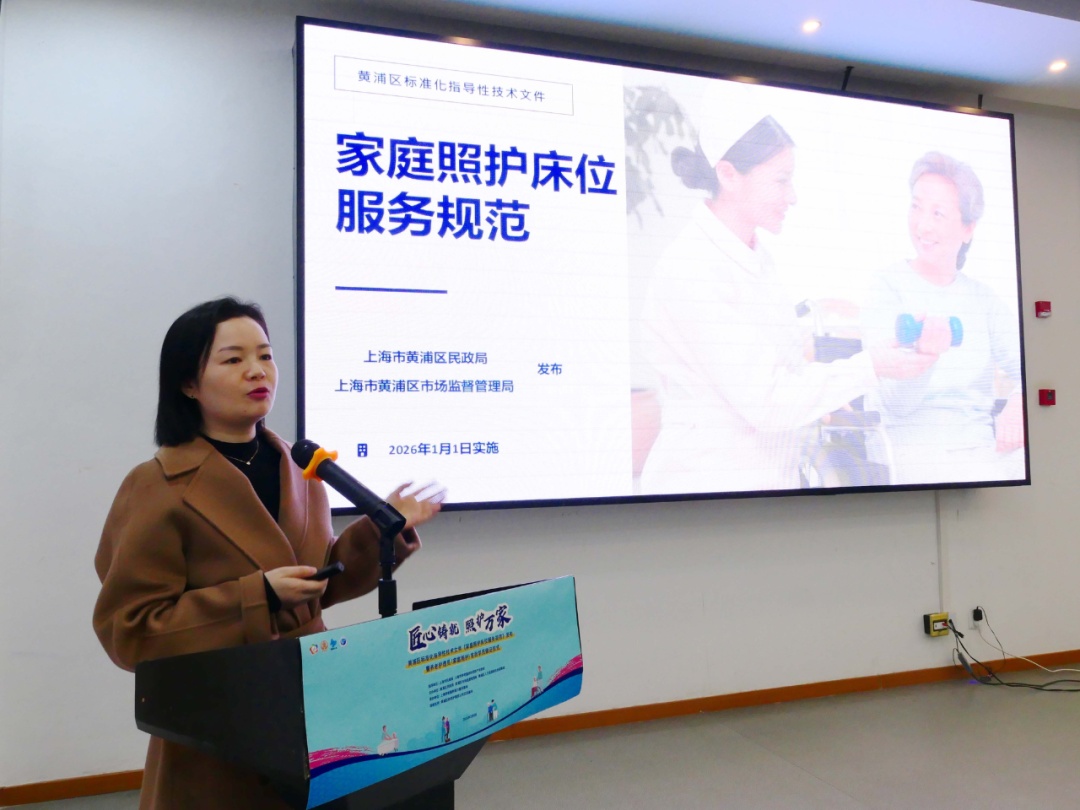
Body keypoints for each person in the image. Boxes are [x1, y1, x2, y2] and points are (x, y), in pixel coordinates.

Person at [93, 297, 445, 810]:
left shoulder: (301, 468)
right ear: (188, 383)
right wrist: (257, 597)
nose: (257, 371)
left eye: (265, 355)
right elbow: (130, 630)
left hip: (314, 711)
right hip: (218, 727)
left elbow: (317, 586)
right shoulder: (157, 486)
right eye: (233, 359)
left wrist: (381, 530)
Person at [639, 90, 936, 494]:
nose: (792, 196)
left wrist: (850, 378)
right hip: (706, 488)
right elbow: (770, 401)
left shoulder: (756, 258)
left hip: (762, 485)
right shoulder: (692, 269)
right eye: (781, 180)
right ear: (728, 175)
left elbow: (785, 372)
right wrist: (870, 367)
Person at [861, 152, 1024, 484]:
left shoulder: (984, 300)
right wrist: (926, 358)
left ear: (968, 229)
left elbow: (1034, 367)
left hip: (979, 449)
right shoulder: (886, 287)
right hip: (910, 451)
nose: (923, 225)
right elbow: (895, 405)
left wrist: (1020, 402)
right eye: (916, 207)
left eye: (938, 213)